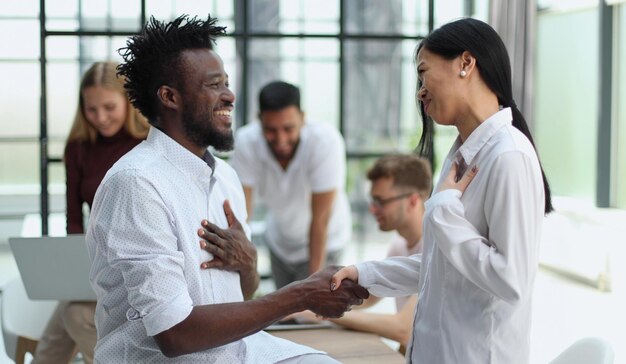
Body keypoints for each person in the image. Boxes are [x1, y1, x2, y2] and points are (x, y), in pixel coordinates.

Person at [86, 14, 368, 363]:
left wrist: (248, 264)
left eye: (226, 83)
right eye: (214, 84)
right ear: (170, 97)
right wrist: (299, 295)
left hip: (235, 351)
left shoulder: (224, 177)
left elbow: (242, 293)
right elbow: (174, 334)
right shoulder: (136, 185)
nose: (230, 95)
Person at [331, 18, 553, 364]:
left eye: (423, 73)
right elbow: (443, 265)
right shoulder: (464, 154)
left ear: (466, 63)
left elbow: (511, 279)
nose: (420, 91)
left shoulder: (509, 155)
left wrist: (443, 210)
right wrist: (367, 274)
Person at [32, 61, 149, 364]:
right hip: (97, 261)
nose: (100, 117)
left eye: (109, 106)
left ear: (128, 101)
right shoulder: (78, 148)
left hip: (140, 260)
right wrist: (75, 262)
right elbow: (73, 218)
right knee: (73, 310)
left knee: (72, 316)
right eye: (92, 109)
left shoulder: (147, 143)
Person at [290, 154, 432, 353]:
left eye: (381, 201)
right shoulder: (399, 246)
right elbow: (366, 298)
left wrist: (313, 313)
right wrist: (307, 302)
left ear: (413, 201)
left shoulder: (434, 249)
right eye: (373, 200)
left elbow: (403, 329)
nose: (373, 209)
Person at [230, 80, 351, 289]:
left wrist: (314, 289)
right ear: (259, 120)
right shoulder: (246, 142)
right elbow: (243, 215)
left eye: (288, 128)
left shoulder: (325, 141)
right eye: (271, 130)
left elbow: (320, 220)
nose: (281, 139)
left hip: (326, 241)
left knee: (311, 313)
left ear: (302, 118)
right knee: (284, 316)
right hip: (281, 243)